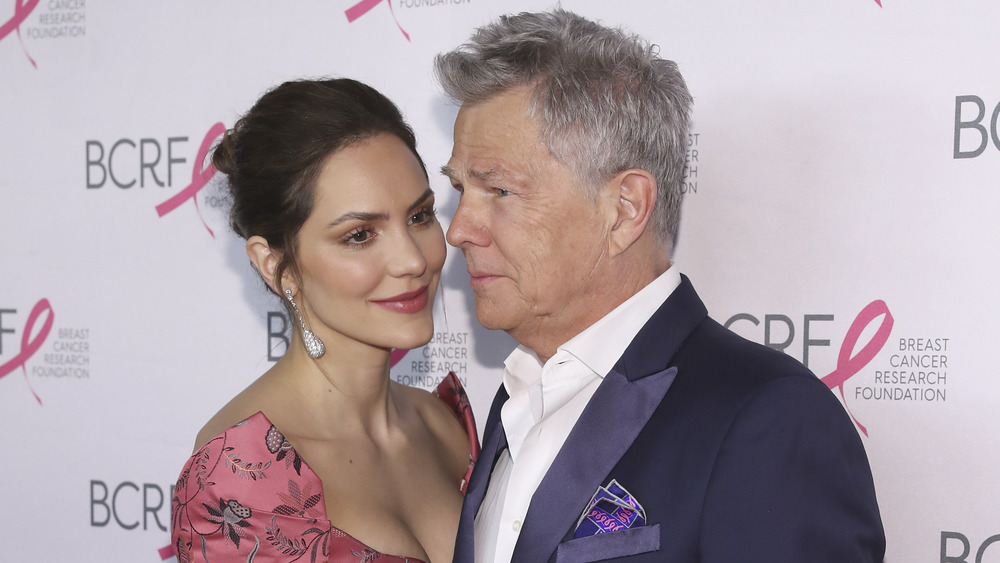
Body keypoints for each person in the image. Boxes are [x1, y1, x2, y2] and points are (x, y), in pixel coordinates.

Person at [435, 9, 885, 563]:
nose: (458, 230)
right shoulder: (519, 395)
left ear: (625, 210)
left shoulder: (768, 421)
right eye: (460, 189)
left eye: (499, 191)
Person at [170, 78, 479, 563]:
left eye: (419, 216)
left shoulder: (444, 427)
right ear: (276, 266)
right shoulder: (240, 479)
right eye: (360, 235)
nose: (412, 260)